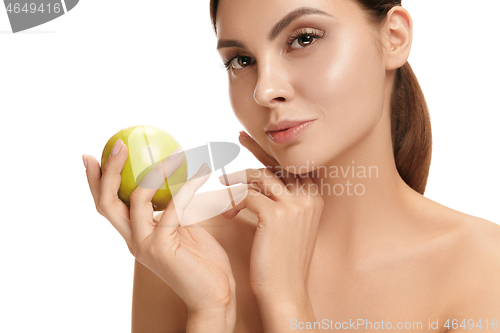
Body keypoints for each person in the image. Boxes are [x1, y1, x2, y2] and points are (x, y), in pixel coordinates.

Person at [83, 0, 500, 331]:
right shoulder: (183, 249)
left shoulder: (484, 267)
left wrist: (285, 301)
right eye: (241, 60)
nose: (265, 89)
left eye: (303, 39)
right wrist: (212, 313)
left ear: (393, 38)